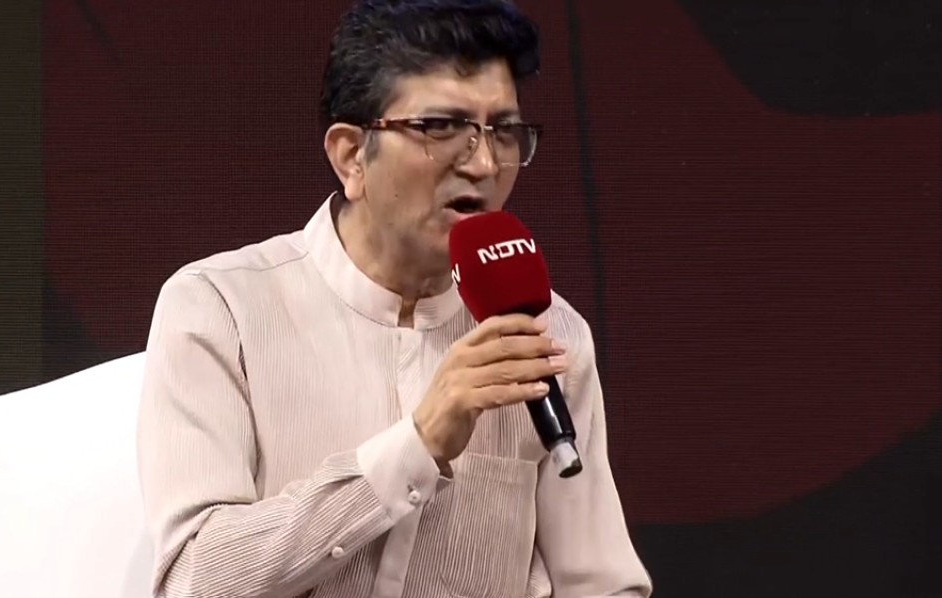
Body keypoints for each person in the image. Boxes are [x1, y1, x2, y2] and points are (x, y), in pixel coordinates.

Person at [136, 0, 652, 596]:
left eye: (504, 131)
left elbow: (601, 583)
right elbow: (194, 578)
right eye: (442, 128)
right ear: (351, 155)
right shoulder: (219, 310)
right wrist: (416, 445)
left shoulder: (547, 331)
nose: (485, 163)